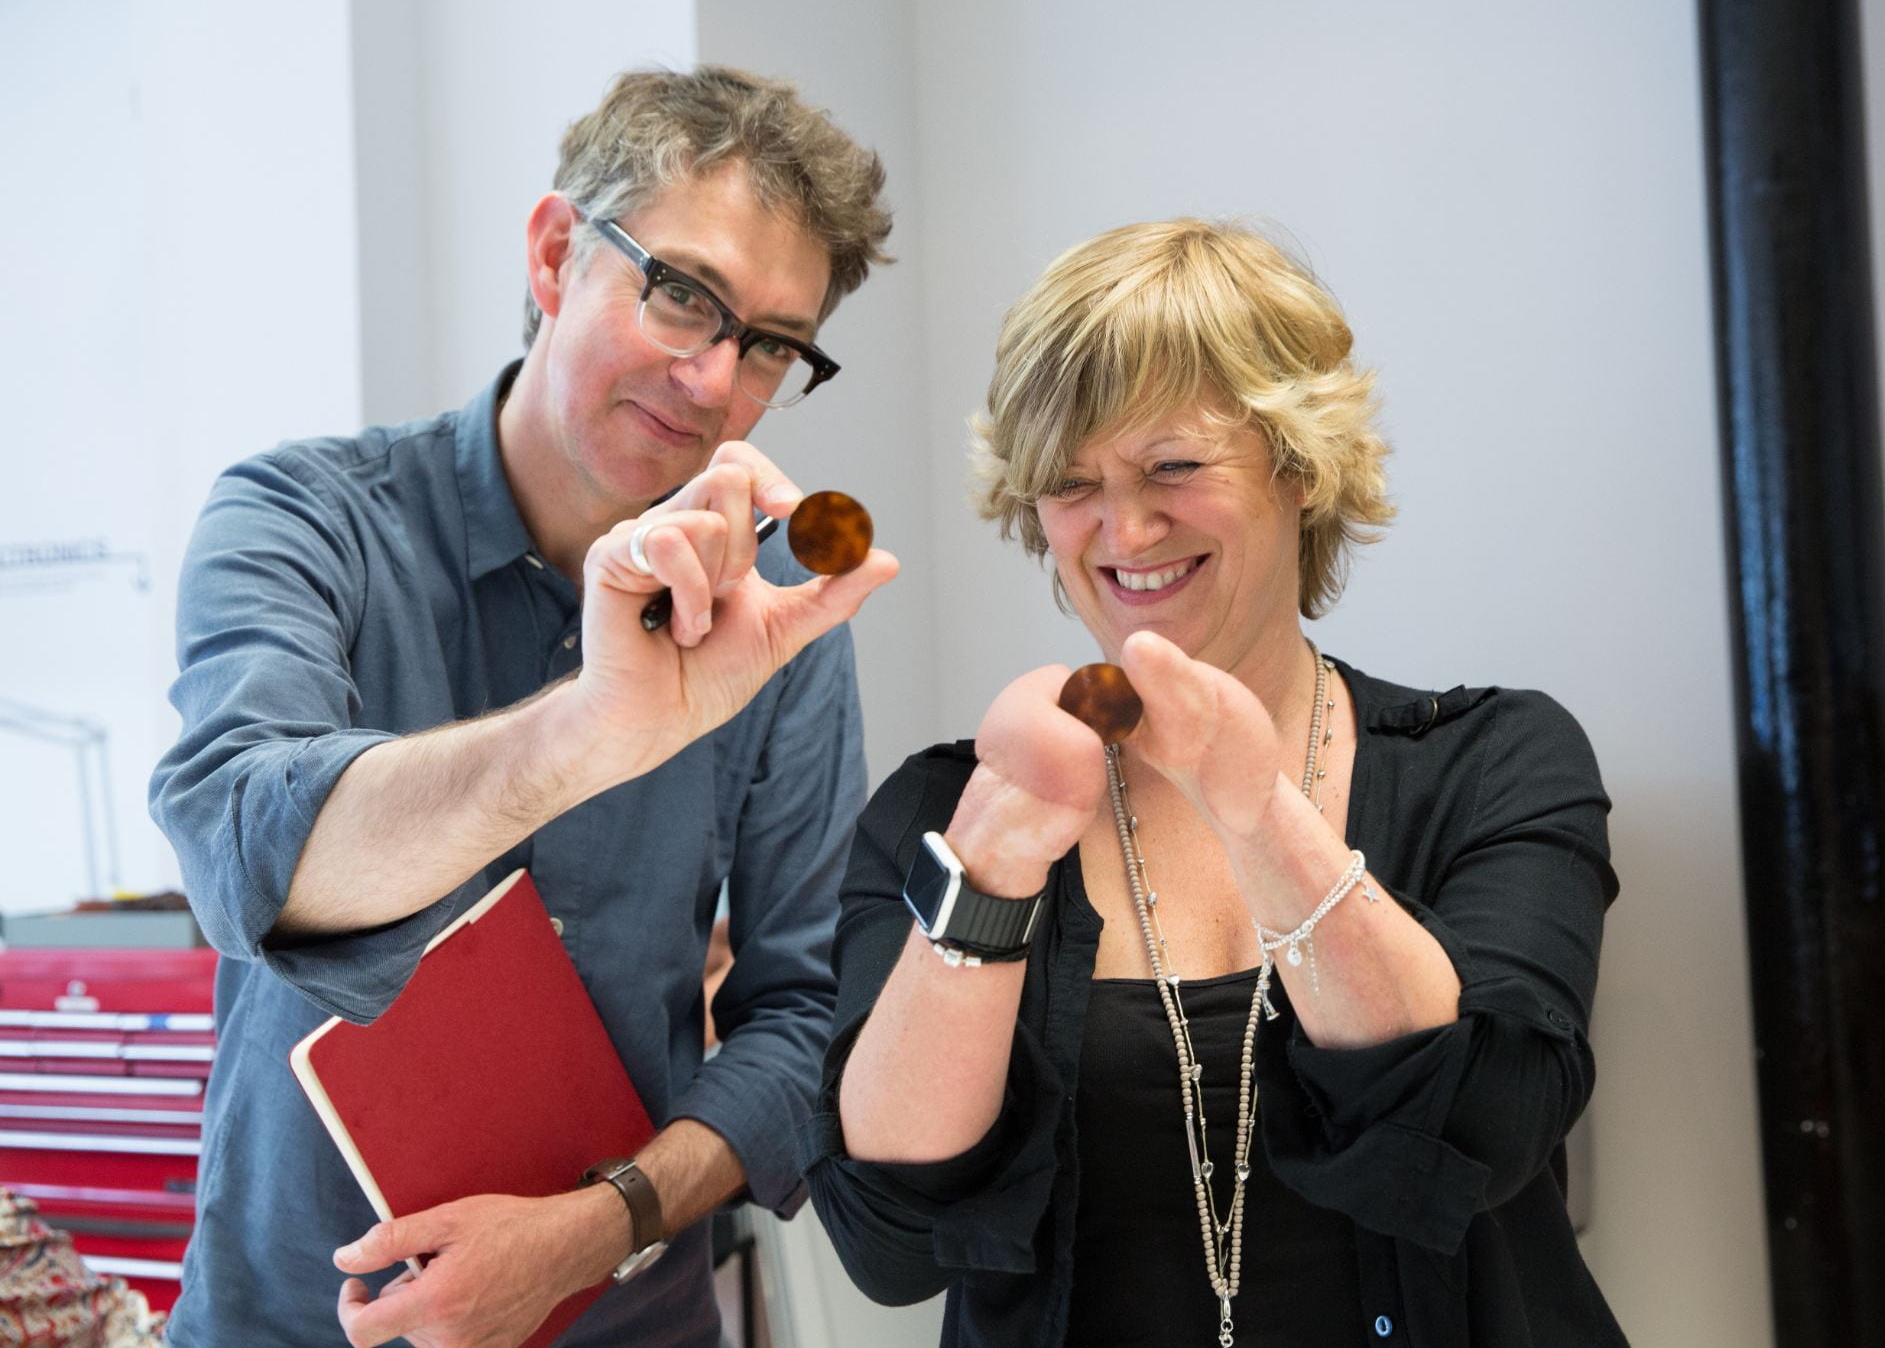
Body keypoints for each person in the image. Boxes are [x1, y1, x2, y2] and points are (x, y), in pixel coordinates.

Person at [148, 66, 896, 1347]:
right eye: (683, 293)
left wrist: (594, 1230)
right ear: (555, 256)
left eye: (772, 343)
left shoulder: (772, 612)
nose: (715, 379)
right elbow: (243, 857)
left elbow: (805, 1013)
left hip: (624, 1318)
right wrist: (589, 729)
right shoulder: (304, 518)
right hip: (288, 1318)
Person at [805, 219, 1628, 1346]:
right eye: (1072, 481)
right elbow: (889, 1242)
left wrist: (1259, 812)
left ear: (1301, 466)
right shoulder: (944, 811)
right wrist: (990, 864)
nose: (1124, 527)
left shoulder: (1501, 760)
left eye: (1174, 467)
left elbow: (1481, 1133)